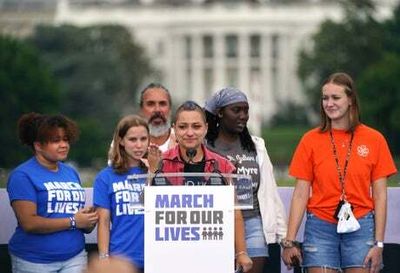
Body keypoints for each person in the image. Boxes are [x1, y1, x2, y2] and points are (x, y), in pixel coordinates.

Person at [281, 72, 397, 273]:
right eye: (325, 98)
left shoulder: (374, 139)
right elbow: (300, 194)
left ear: (351, 100)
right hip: (320, 226)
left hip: (361, 225)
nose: (329, 103)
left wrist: (379, 244)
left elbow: (380, 196)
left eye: (336, 98)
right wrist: (289, 241)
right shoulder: (310, 140)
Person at [150, 100, 253, 272]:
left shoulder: (223, 166)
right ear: (174, 128)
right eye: (183, 127)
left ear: (205, 128)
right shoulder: (159, 162)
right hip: (171, 255)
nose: (189, 133)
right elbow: (146, 207)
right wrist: (152, 172)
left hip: (213, 253)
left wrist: (241, 252)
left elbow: (235, 212)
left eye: (196, 126)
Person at [204, 87, 287, 273]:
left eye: (245, 110)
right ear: (220, 113)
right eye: (236, 110)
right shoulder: (205, 145)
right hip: (216, 223)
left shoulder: (256, 146)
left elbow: (270, 194)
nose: (243, 115)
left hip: (253, 223)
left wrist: (285, 239)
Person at [7, 112, 98, 273]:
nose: (64, 145)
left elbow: (70, 215)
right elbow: (29, 223)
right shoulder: (22, 175)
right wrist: (74, 221)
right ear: (38, 145)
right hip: (34, 261)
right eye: (56, 141)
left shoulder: (71, 172)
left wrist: (87, 220)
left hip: (75, 257)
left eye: (66, 139)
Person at [94, 115, 157, 272]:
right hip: (121, 258)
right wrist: (103, 257)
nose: (139, 145)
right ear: (121, 141)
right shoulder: (106, 177)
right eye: (132, 139)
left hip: (155, 257)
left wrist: (153, 172)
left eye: (143, 139)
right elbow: (103, 221)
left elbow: (153, 207)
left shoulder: (156, 172)